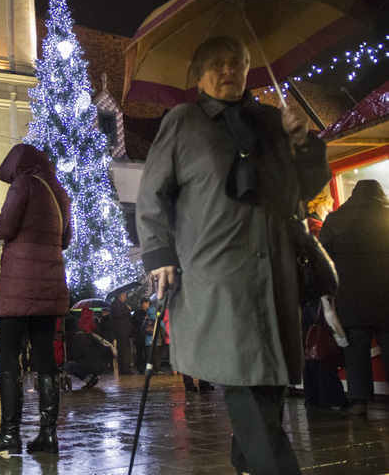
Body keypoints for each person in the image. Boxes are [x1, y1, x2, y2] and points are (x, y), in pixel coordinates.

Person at [136, 36, 330, 474]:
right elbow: (151, 196)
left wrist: (303, 142)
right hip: (216, 272)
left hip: (276, 269)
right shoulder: (184, 122)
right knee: (244, 378)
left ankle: (246, 459)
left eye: (238, 64)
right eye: (219, 64)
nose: (229, 71)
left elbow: (305, 190)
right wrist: (159, 253)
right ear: (200, 73)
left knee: (271, 379)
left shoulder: (270, 120)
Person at [0, 143, 72, 456]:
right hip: (49, 285)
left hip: (19, 285)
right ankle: (48, 434)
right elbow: (66, 239)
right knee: (44, 355)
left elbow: (6, 228)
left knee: (7, 355)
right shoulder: (59, 192)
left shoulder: (24, 184)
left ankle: (9, 433)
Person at [319, 179, 389, 416]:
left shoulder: (337, 219)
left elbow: (322, 258)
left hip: (351, 298)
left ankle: (359, 401)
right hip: (386, 296)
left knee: (356, 350)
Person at [300, 192, 345, 410]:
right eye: (327, 208)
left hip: (301, 297)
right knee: (322, 343)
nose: (328, 212)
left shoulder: (298, 226)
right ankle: (331, 397)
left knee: (309, 348)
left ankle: (313, 396)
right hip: (316, 296)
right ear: (320, 204)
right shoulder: (315, 226)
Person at [64, 310, 113, 389]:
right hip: (99, 363)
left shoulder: (77, 337)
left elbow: (76, 354)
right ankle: (92, 377)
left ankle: (90, 379)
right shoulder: (82, 333)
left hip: (95, 365)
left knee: (69, 366)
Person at [111, 292, 134, 374]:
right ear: (119, 296)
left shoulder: (121, 304)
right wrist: (127, 309)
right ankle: (126, 369)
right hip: (122, 330)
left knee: (122, 350)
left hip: (124, 330)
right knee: (125, 350)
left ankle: (123, 369)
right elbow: (118, 315)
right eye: (124, 295)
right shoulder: (116, 305)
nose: (125, 296)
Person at [132, 298, 150, 374]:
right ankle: (141, 368)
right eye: (147, 303)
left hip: (147, 335)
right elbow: (136, 321)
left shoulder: (149, 312)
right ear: (143, 303)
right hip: (139, 335)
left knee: (147, 352)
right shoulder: (138, 312)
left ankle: (147, 367)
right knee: (140, 352)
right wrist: (144, 318)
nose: (148, 305)